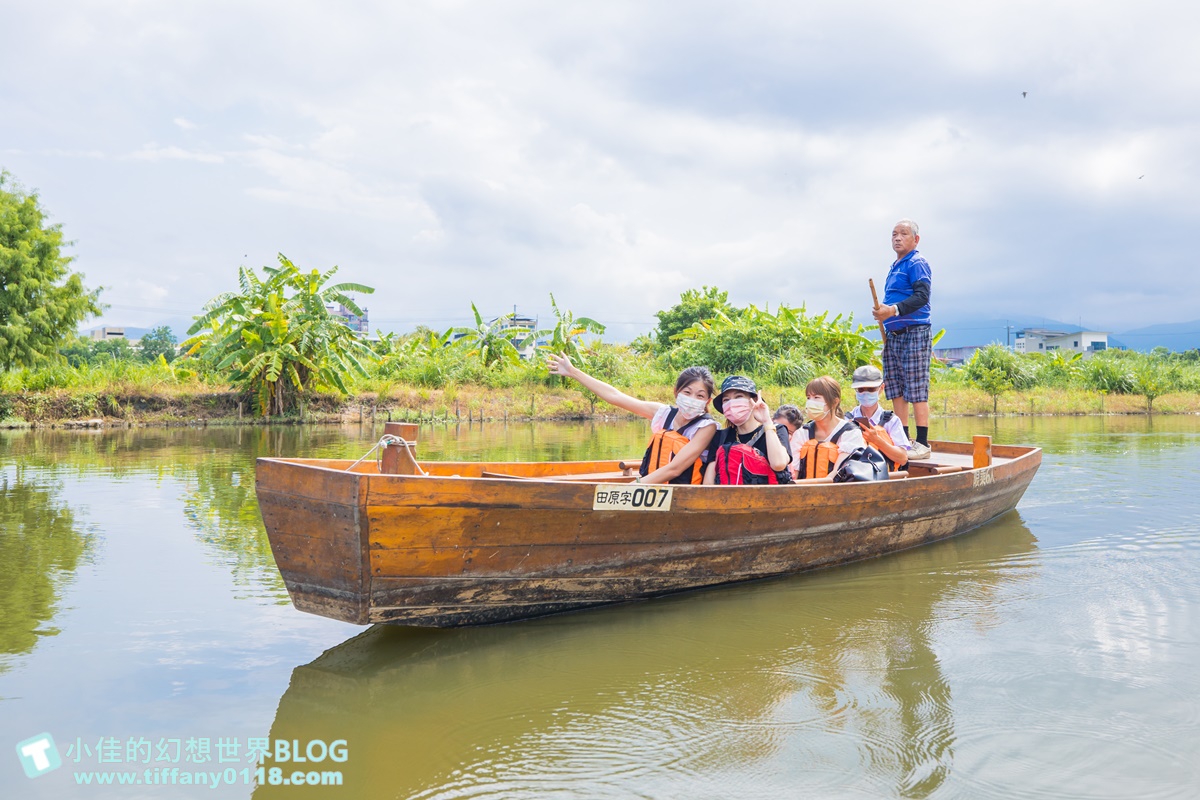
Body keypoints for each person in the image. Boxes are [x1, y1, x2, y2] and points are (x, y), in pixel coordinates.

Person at [548, 354, 717, 484]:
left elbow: (675, 468)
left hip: (680, 493)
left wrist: (635, 485)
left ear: (707, 401)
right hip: (652, 487)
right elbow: (615, 396)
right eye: (687, 393)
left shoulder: (706, 427)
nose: (692, 399)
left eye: (700, 396)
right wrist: (574, 372)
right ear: (676, 392)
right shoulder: (664, 413)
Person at [872, 219, 933, 460]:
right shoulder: (894, 266)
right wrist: (882, 313)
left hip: (914, 330)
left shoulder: (917, 262)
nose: (897, 238)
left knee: (916, 388)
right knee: (896, 388)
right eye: (894, 234)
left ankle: (923, 443)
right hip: (894, 335)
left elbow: (922, 297)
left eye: (903, 234)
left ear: (915, 240)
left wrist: (893, 310)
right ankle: (903, 439)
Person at [704, 376, 793, 485]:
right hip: (728, 500)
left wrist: (767, 421)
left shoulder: (776, 430)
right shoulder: (720, 437)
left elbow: (778, 464)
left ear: (754, 400)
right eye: (726, 400)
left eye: (738, 397)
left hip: (767, 500)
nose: (732, 404)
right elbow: (708, 484)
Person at [790, 375, 865, 480]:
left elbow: (837, 472)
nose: (811, 402)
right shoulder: (802, 433)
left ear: (834, 402)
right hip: (804, 492)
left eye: (816, 397)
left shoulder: (850, 432)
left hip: (838, 492)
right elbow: (794, 472)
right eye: (808, 397)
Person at [844, 365, 910, 471]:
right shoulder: (847, 420)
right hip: (854, 479)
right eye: (861, 389)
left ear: (881, 388)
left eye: (871, 389)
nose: (865, 393)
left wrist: (877, 440)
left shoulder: (891, 421)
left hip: (884, 479)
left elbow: (903, 458)